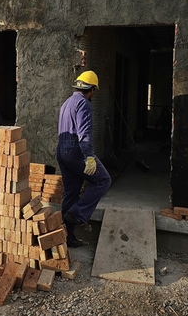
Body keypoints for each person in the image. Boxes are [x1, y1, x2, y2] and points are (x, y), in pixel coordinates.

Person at [56, 70, 111, 247]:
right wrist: (89, 157)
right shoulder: (84, 104)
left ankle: (66, 239)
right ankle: (78, 214)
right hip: (76, 150)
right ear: (92, 89)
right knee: (103, 180)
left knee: (71, 193)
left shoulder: (67, 102)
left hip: (62, 150)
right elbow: (84, 134)